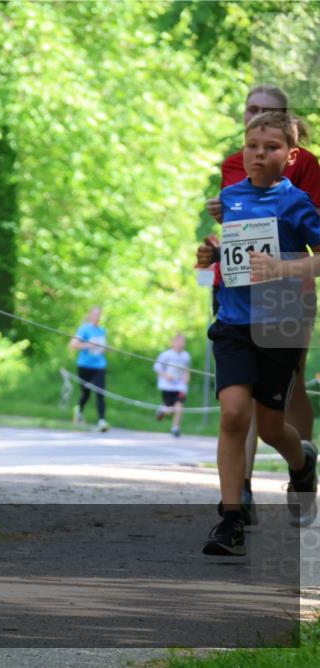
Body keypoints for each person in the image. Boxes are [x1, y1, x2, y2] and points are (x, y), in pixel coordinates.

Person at [196, 112, 319, 556]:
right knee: (232, 414)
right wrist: (211, 253)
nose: (259, 154)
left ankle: (303, 462)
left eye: (270, 148)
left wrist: (285, 267)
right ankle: (230, 520)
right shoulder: (230, 198)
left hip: (279, 322)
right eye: (252, 146)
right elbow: (235, 255)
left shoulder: (296, 202)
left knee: (270, 428)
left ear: (291, 155)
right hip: (233, 320)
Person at [69, 306, 109, 432]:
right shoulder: (84, 329)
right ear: (90, 315)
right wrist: (88, 345)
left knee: (100, 393)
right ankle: (79, 410)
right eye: (95, 314)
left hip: (99, 366)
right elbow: (73, 344)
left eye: (99, 315)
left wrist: (105, 348)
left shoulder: (102, 331)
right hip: (85, 366)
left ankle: (101, 421)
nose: (97, 317)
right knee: (86, 394)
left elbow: (103, 348)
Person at [153, 333, 191, 438]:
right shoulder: (166, 355)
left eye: (183, 341)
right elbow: (157, 366)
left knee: (179, 406)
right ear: (172, 343)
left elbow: (187, 369)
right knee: (169, 408)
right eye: (178, 341)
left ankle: (175, 428)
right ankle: (162, 411)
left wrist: (187, 376)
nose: (180, 344)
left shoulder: (186, 356)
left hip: (180, 386)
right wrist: (165, 375)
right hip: (167, 386)